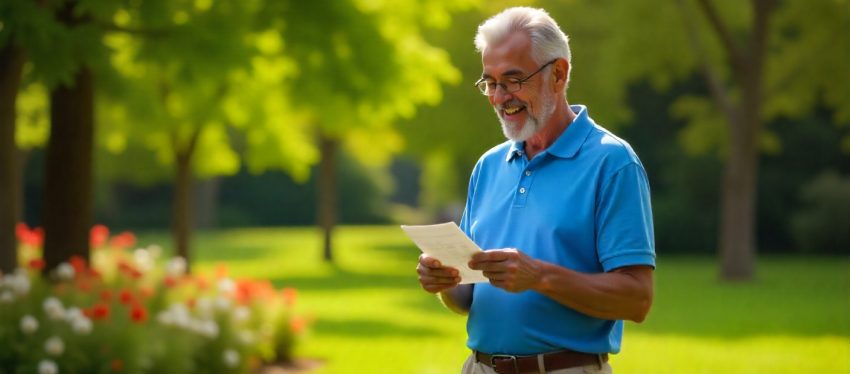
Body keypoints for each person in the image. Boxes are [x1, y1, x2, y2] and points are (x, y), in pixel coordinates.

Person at [416, 7, 656, 374]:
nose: (499, 97)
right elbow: (467, 298)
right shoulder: (488, 166)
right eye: (491, 83)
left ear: (558, 74)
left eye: (513, 80)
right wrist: (445, 282)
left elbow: (637, 299)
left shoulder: (613, 162)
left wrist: (540, 276)